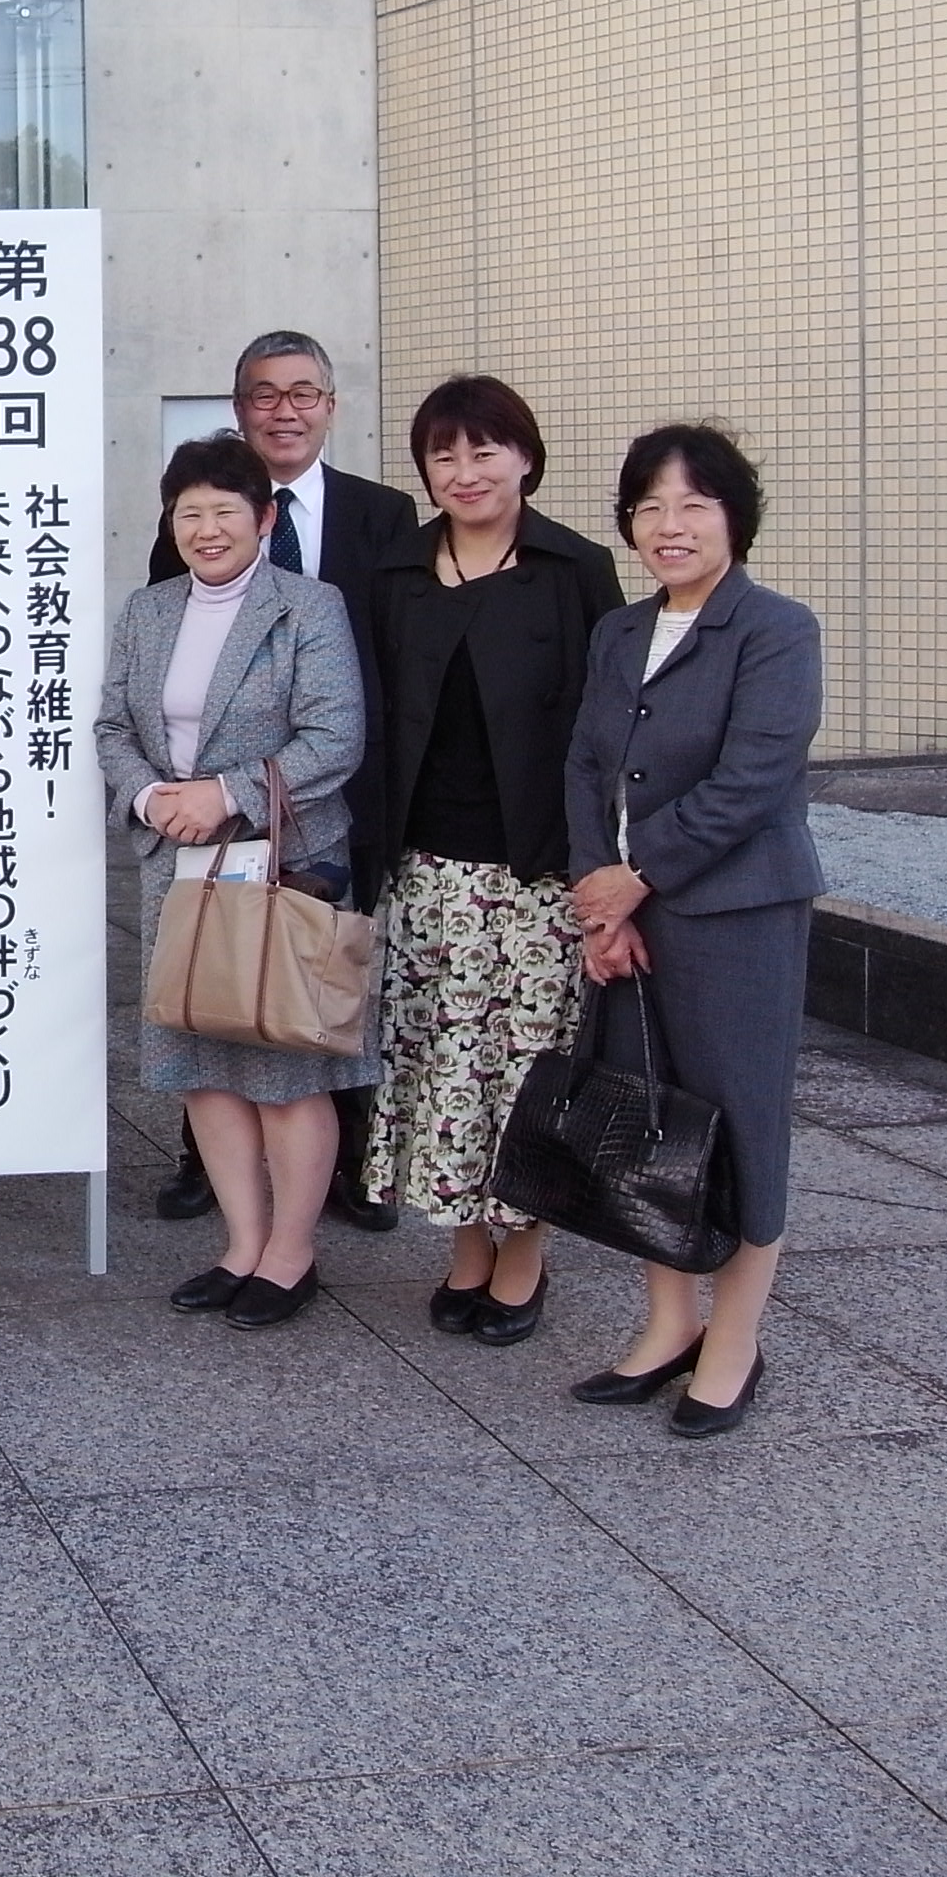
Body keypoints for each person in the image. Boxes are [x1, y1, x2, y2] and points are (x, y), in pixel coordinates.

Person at [564, 425, 823, 1438]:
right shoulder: (619, 633)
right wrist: (598, 890)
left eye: (693, 506)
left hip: (734, 917)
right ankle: (667, 1322)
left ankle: (735, 1342)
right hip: (625, 910)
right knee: (644, 1118)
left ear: (733, 517)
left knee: (739, 1123)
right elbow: (587, 764)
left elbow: (754, 778)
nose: (668, 527)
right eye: (650, 507)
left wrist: (637, 878)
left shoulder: (776, 629)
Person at [356, 377, 623, 1347]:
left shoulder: (575, 569)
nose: (464, 472)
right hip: (429, 872)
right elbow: (379, 726)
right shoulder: (398, 574)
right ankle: (465, 1243)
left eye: (483, 451)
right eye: (444, 455)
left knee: (526, 1071)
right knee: (439, 1063)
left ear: (524, 457)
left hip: (539, 876)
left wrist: (605, 871)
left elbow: (606, 735)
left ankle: (525, 1255)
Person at [97, 433, 368, 1329]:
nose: (206, 529)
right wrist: (149, 799)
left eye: (224, 510)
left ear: (263, 517)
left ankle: (292, 1255)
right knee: (200, 1066)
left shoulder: (308, 607)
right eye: (189, 513)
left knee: (283, 1063)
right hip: (176, 867)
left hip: (278, 867)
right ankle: (241, 1245)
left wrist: (224, 795)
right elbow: (110, 727)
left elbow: (335, 737)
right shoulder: (147, 609)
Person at [149, 330, 415, 1231]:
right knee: (206, 1002)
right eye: (265, 395)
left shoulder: (382, 518)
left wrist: (255, 789)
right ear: (240, 409)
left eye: (304, 393)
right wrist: (160, 796)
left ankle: (332, 1182)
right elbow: (152, 696)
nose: (285, 410)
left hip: (328, 807)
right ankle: (216, 1183)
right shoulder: (185, 542)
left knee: (315, 1002)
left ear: (331, 407)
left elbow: (376, 681)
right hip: (194, 841)